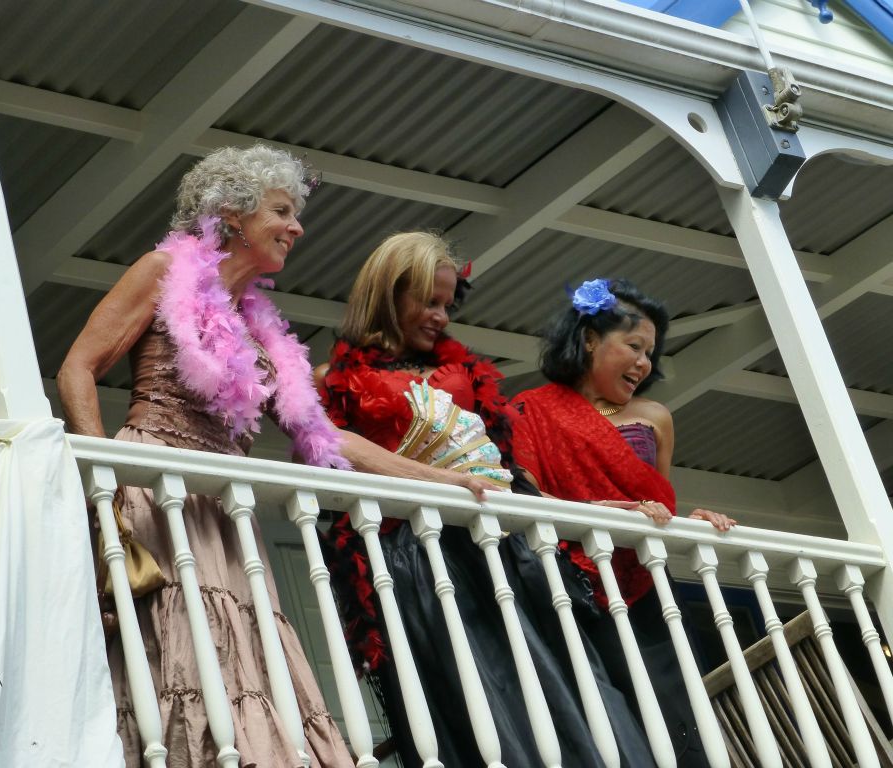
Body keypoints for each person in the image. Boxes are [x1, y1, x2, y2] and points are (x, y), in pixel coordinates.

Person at [57, 145, 356, 767]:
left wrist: (440, 476)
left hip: (220, 508)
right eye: (282, 210)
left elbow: (325, 435)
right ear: (232, 215)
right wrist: (102, 482)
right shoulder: (162, 269)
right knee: (173, 648)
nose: (297, 227)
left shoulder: (259, 326)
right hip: (154, 480)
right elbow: (79, 368)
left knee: (247, 653)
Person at [316, 234, 655, 768]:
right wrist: (440, 481)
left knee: (566, 687)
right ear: (388, 293)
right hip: (422, 560)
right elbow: (330, 442)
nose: (442, 317)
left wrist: (575, 511)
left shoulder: (462, 371)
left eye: (448, 304)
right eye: (430, 301)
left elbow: (505, 468)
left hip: (504, 548)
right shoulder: (333, 382)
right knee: (480, 701)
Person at [511, 277, 735, 767]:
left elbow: (657, 505)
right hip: (568, 584)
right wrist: (591, 513)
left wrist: (690, 521)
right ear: (590, 339)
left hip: (645, 586)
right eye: (633, 346)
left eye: (650, 353)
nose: (644, 362)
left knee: (677, 712)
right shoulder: (531, 409)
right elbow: (523, 497)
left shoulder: (655, 416)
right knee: (599, 714)